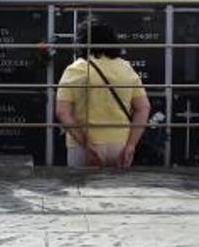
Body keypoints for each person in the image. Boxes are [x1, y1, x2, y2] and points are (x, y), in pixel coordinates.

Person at [55, 21, 151, 168]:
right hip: (120, 146)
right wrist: (131, 145)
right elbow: (143, 107)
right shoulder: (126, 68)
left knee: (82, 190)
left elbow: (63, 112)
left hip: (84, 147)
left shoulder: (75, 69)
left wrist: (86, 144)